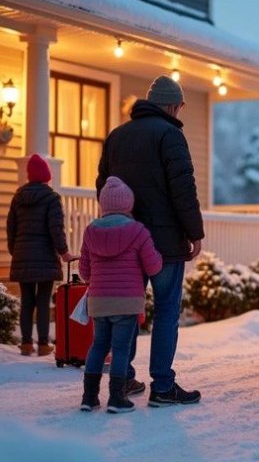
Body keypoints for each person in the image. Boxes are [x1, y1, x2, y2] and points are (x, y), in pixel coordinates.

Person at [96, 74, 205, 407]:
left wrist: (114, 225)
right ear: (172, 105)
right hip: (165, 242)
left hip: (126, 240)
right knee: (167, 310)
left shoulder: (116, 136)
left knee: (129, 309)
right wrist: (194, 232)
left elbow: (103, 186)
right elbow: (182, 188)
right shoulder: (170, 135)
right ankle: (162, 387)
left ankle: (123, 378)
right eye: (181, 106)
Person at [79, 176, 163, 413]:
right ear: (129, 205)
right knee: (121, 349)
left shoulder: (90, 231)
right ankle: (116, 397)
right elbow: (153, 266)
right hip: (126, 303)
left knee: (98, 346)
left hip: (98, 302)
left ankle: (89, 397)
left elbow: (84, 270)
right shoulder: (138, 231)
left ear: (103, 204)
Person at [7, 153, 75, 356]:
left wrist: (16, 251)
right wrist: (63, 252)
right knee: (43, 300)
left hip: (22, 255)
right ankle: (44, 345)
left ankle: (26, 343)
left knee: (27, 300)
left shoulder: (18, 197)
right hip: (45, 257)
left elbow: (11, 228)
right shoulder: (51, 198)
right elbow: (56, 228)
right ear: (47, 175)